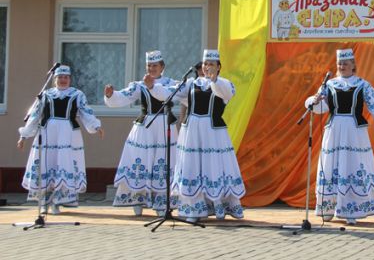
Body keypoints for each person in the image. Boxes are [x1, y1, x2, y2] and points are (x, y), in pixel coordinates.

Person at [146, 49, 244, 223]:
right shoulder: (191, 83)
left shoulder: (224, 84)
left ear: (219, 67)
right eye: (205, 64)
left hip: (213, 134)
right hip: (192, 133)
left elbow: (225, 93)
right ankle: (193, 208)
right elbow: (170, 93)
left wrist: (214, 80)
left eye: (211, 64)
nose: (207, 67)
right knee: (192, 167)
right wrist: (153, 88)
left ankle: (219, 206)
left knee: (213, 167)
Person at [306, 48, 374, 225]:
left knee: (353, 164)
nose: (342, 66)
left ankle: (352, 209)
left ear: (353, 65)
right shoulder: (329, 85)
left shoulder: (363, 84)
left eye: (346, 63)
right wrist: (314, 102)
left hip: (354, 131)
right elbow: (323, 108)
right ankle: (328, 208)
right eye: (340, 64)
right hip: (334, 129)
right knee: (332, 164)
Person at [17, 65, 104, 214]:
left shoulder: (77, 94)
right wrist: (24, 135)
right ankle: (44, 201)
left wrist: (96, 126)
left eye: (66, 77)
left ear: (70, 79)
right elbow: (35, 115)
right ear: (55, 79)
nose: (63, 80)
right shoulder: (46, 94)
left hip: (68, 135)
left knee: (63, 164)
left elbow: (85, 112)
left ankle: (58, 201)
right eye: (60, 77)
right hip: (47, 134)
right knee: (47, 164)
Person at [104, 50, 177, 216]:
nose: (152, 68)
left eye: (155, 65)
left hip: (165, 126)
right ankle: (138, 200)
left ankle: (161, 203)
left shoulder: (172, 83)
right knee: (141, 161)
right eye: (149, 66)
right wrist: (111, 96)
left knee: (163, 161)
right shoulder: (139, 85)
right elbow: (123, 97)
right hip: (145, 127)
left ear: (162, 67)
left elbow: (180, 95)